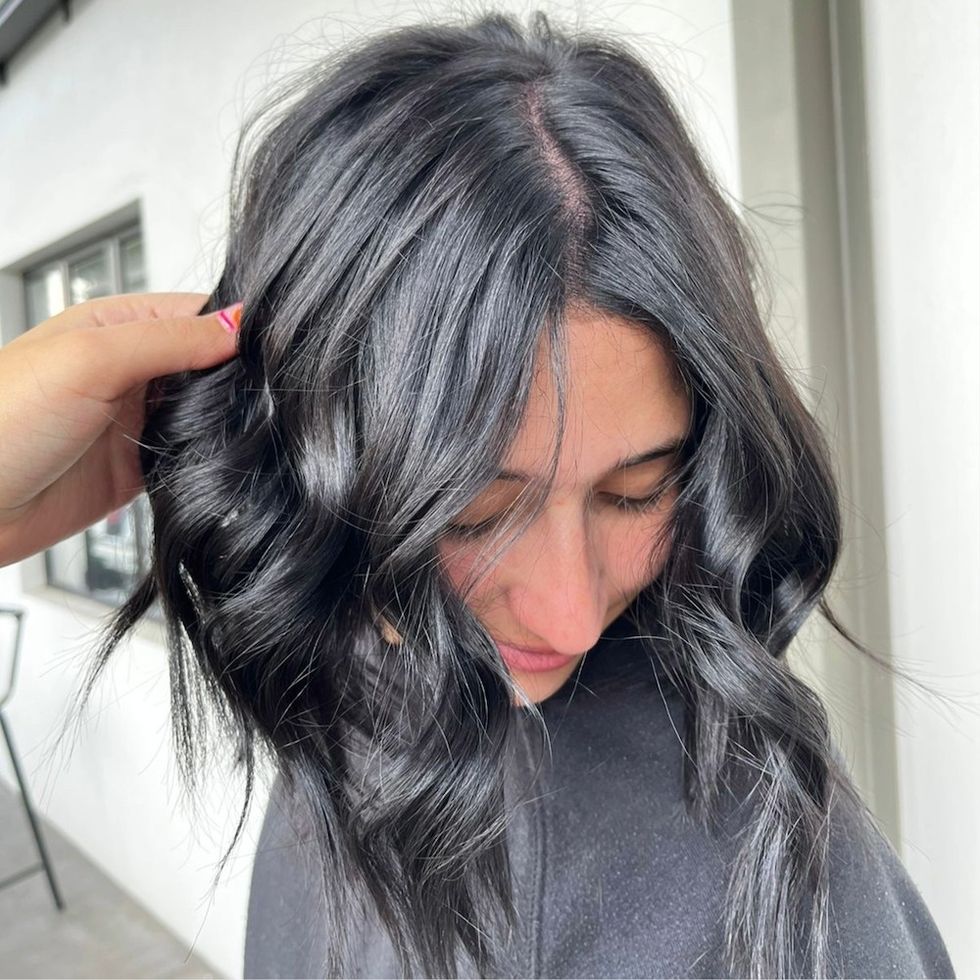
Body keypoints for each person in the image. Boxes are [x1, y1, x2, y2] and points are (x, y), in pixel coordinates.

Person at [1, 10, 957, 980]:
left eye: (637, 489)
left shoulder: (749, 865)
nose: (571, 614)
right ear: (312, 443)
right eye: (470, 509)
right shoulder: (356, 684)